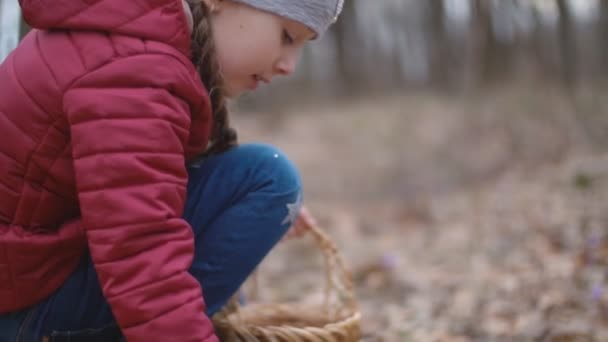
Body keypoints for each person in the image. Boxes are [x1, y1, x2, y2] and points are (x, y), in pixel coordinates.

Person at [0, 0, 343, 341]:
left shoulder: (133, 35)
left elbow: (141, 188)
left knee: (256, 177)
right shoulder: (135, 69)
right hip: (24, 311)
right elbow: (139, 249)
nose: (290, 66)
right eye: (286, 36)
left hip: (28, 283)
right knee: (271, 178)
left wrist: (233, 201)